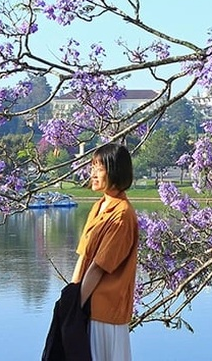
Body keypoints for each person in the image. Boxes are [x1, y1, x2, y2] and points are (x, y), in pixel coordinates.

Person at [72, 143, 139, 361]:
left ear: (114, 172)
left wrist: (75, 306)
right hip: (87, 306)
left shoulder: (122, 215)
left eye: (99, 168)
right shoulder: (99, 207)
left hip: (105, 312)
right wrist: (70, 297)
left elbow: (98, 267)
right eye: (92, 167)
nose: (93, 174)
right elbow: (83, 257)